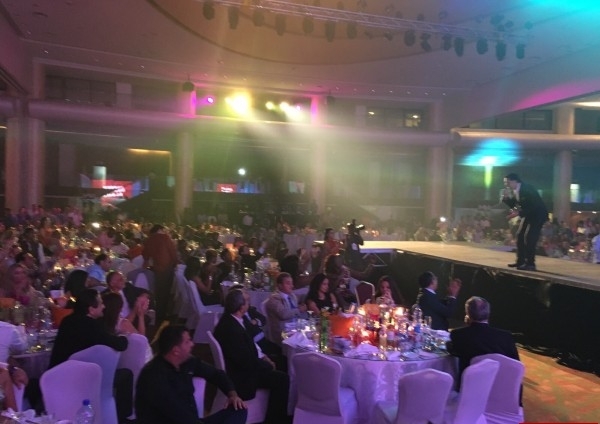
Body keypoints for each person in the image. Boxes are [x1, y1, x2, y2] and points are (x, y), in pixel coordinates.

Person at [135, 324, 247, 424]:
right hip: (173, 421)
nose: (192, 344)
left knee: (239, 409)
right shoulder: (154, 376)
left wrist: (233, 395)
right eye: (187, 342)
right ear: (176, 351)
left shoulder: (187, 362)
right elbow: (177, 413)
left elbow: (216, 374)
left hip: (193, 420)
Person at [214, 290, 290, 424]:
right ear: (241, 307)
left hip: (241, 367)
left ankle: (279, 411)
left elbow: (247, 351)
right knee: (282, 379)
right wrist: (267, 365)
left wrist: (264, 358)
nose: (249, 304)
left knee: (281, 362)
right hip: (242, 377)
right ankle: (275, 419)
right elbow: (246, 361)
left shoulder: (232, 320)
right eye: (247, 302)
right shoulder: (232, 329)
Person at [446, 296, 520, 397]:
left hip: (469, 390)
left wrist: (469, 325)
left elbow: (452, 350)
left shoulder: (458, 335)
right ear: (488, 313)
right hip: (500, 390)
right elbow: (516, 365)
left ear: (467, 314)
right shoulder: (506, 337)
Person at [49, 288, 128, 368]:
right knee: (126, 373)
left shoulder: (67, 320)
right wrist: (123, 334)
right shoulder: (92, 326)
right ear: (91, 310)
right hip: (73, 372)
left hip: (55, 371)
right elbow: (121, 345)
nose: (104, 306)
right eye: (101, 303)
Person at [502, 173, 549, 271]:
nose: (506, 185)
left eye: (508, 182)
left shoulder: (526, 188)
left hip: (537, 215)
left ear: (515, 181)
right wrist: (506, 199)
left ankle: (530, 263)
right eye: (505, 183)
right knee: (520, 235)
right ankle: (521, 261)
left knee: (530, 237)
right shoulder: (516, 190)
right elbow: (516, 205)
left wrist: (518, 213)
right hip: (528, 214)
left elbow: (533, 205)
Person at [264, 272, 307, 345]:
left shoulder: (292, 296)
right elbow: (284, 314)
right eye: (288, 283)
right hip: (282, 333)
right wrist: (299, 310)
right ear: (280, 285)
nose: (292, 286)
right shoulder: (274, 299)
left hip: (294, 329)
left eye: (292, 283)